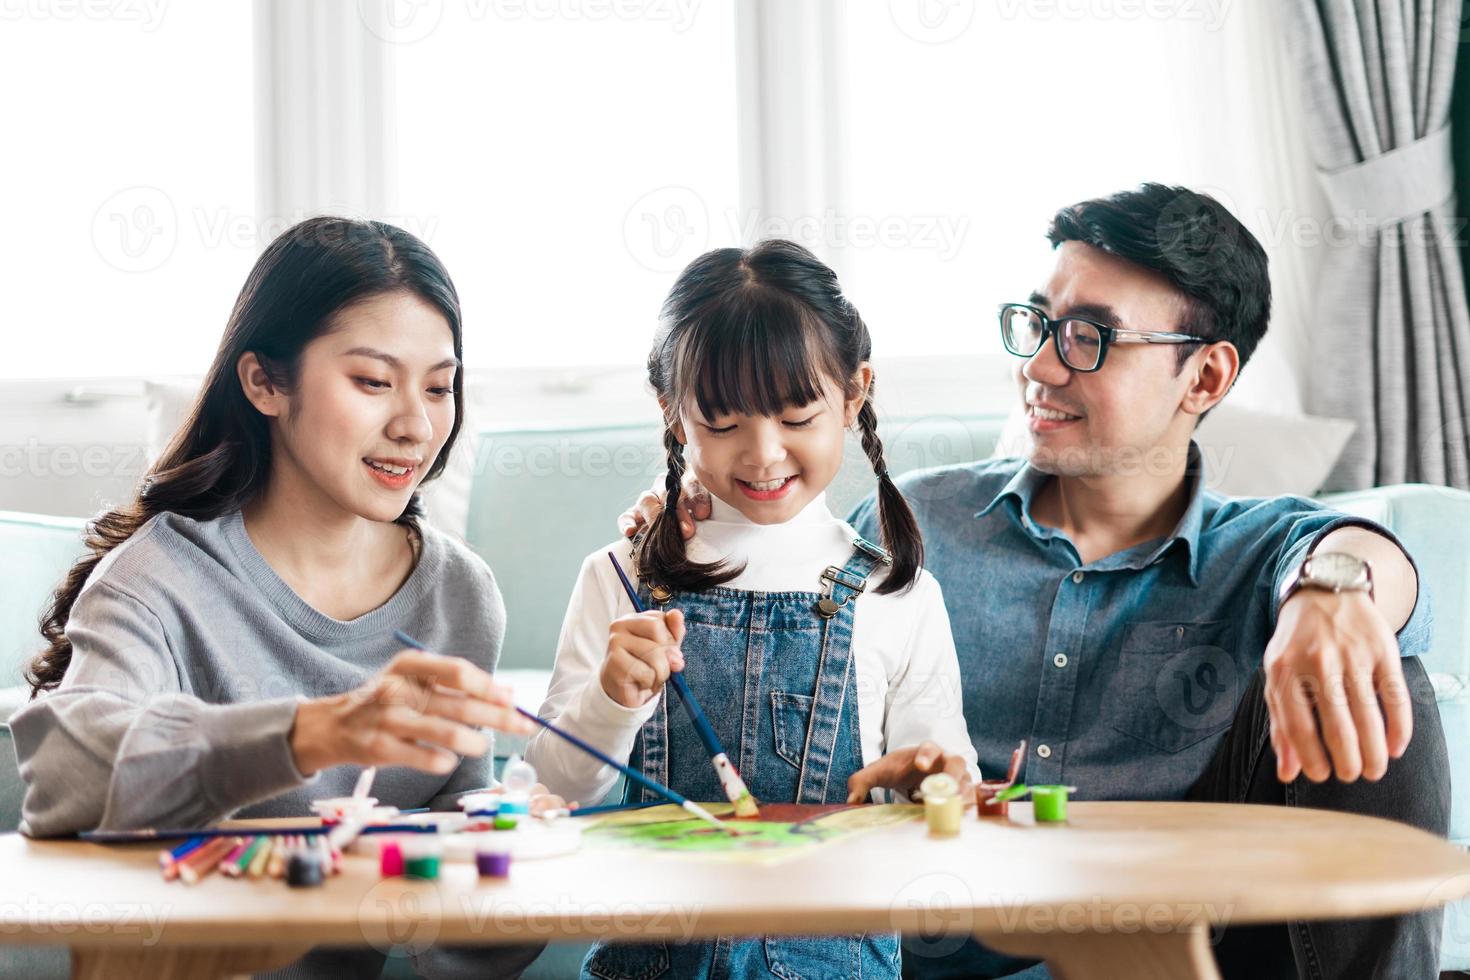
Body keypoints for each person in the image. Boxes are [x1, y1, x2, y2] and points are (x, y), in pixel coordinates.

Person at [622, 185, 1451, 979]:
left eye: (1090, 337)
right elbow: (773, 591)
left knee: (1375, 675)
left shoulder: (1258, 550)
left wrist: (1331, 595)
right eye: (1038, 324)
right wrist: (701, 516)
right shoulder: (919, 523)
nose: (1042, 368)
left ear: (1204, 378)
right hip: (920, 954)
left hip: (1172, 959)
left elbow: (1367, 555)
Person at [13, 216, 552, 979]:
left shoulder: (459, 594)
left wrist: (503, 851)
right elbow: (63, 774)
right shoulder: (160, 577)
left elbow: (457, 921)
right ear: (265, 381)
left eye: (439, 387)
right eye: (372, 382)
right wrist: (310, 733)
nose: (416, 424)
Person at [527, 239, 979, 980]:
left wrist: (934, 779)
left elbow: (942, 776)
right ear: (674, 415)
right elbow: (554, 786)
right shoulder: (618, 576)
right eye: (724, 423)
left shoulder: (897, 593)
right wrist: (611, 699)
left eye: (799, 416)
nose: (765, 455)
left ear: (854, 393)